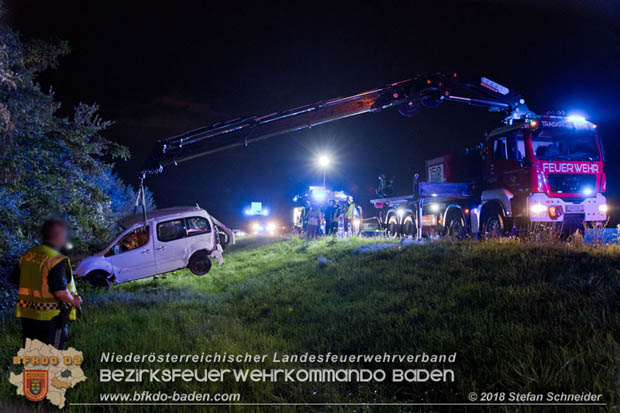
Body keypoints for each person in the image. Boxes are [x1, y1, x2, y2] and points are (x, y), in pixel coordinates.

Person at [10, 219, 82, 350]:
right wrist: (74, 301)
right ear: (58, 235)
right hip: (51, 318)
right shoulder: (55, 259)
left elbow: (16, 283)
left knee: (32, 355)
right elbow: (60, 292)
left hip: (28, 316)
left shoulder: (28, 255)